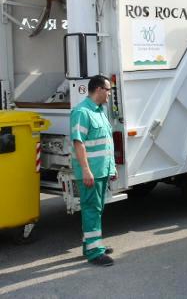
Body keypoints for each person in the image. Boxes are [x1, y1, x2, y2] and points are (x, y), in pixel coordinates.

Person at [70, 75, 117, 266]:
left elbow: (107, 143)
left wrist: (112, 167)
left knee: (96, 210)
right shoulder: (81, 112)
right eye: (108, 90)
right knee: (92, 210)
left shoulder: (99, 111)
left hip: (102, 170)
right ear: (98, 89)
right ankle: (95, 253)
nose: (110, 94)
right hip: (91, 172)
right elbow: (78, 143)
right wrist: (86, 170)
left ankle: (91, 244)